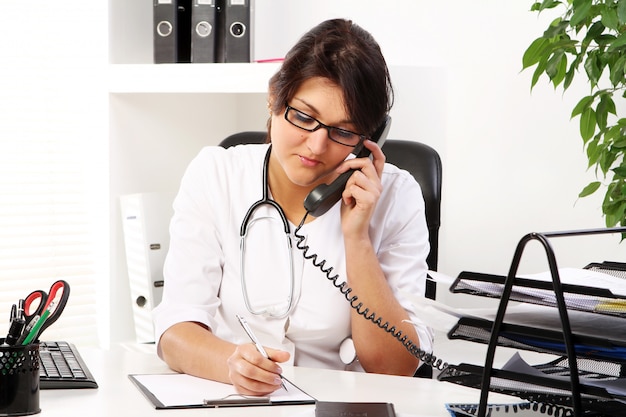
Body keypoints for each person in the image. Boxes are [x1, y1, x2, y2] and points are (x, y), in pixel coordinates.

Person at [152, 18, 433, 396]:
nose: (316, 146)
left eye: (344, 131)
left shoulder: (397, 198)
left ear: (369, 138)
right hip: (233, 402)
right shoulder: (216, 174)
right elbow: (175, 332)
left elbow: (394, 368)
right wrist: (232, 364)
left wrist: (357, 238)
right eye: (304, 117)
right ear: (274, 98)